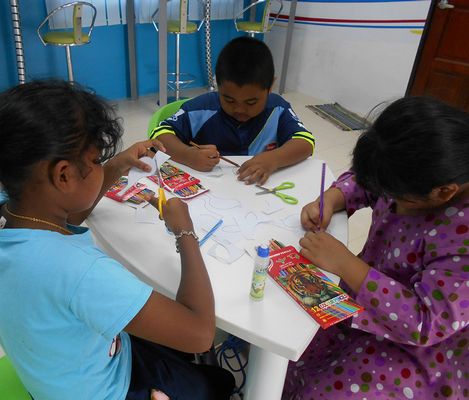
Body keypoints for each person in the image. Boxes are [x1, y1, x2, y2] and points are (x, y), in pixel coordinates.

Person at [0, 80, 235, 400]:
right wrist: (185, 231)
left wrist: (118, 164)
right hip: (106, 390)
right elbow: (200, 335)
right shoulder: (81, 272)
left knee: (180, 357)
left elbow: (67, 215)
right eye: (96, 161)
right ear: (63, 175)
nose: (101, 166)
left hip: (55, 374)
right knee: (219, 383)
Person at [283, 96, 469, 399]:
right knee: (289, 348)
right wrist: (332, 198)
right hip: (363, 298)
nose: (389, 203)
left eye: (398, 198)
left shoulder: (462, 236)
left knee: (323, 392)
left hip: (420, 348)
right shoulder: (409, 171)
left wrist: (345, 263)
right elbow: (368, 180)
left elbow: (425, 322)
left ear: (444, 193)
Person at [149, 36, 315, 185]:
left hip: (259, 194)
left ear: (270, 87)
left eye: (251, 102)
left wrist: (273, 159)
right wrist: (187, 155)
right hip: (209, 193)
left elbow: (305, 142)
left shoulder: (278, 109)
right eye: (229, 100)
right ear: (218, 85)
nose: (239, 109)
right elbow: (159, 135)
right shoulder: (200, 109)